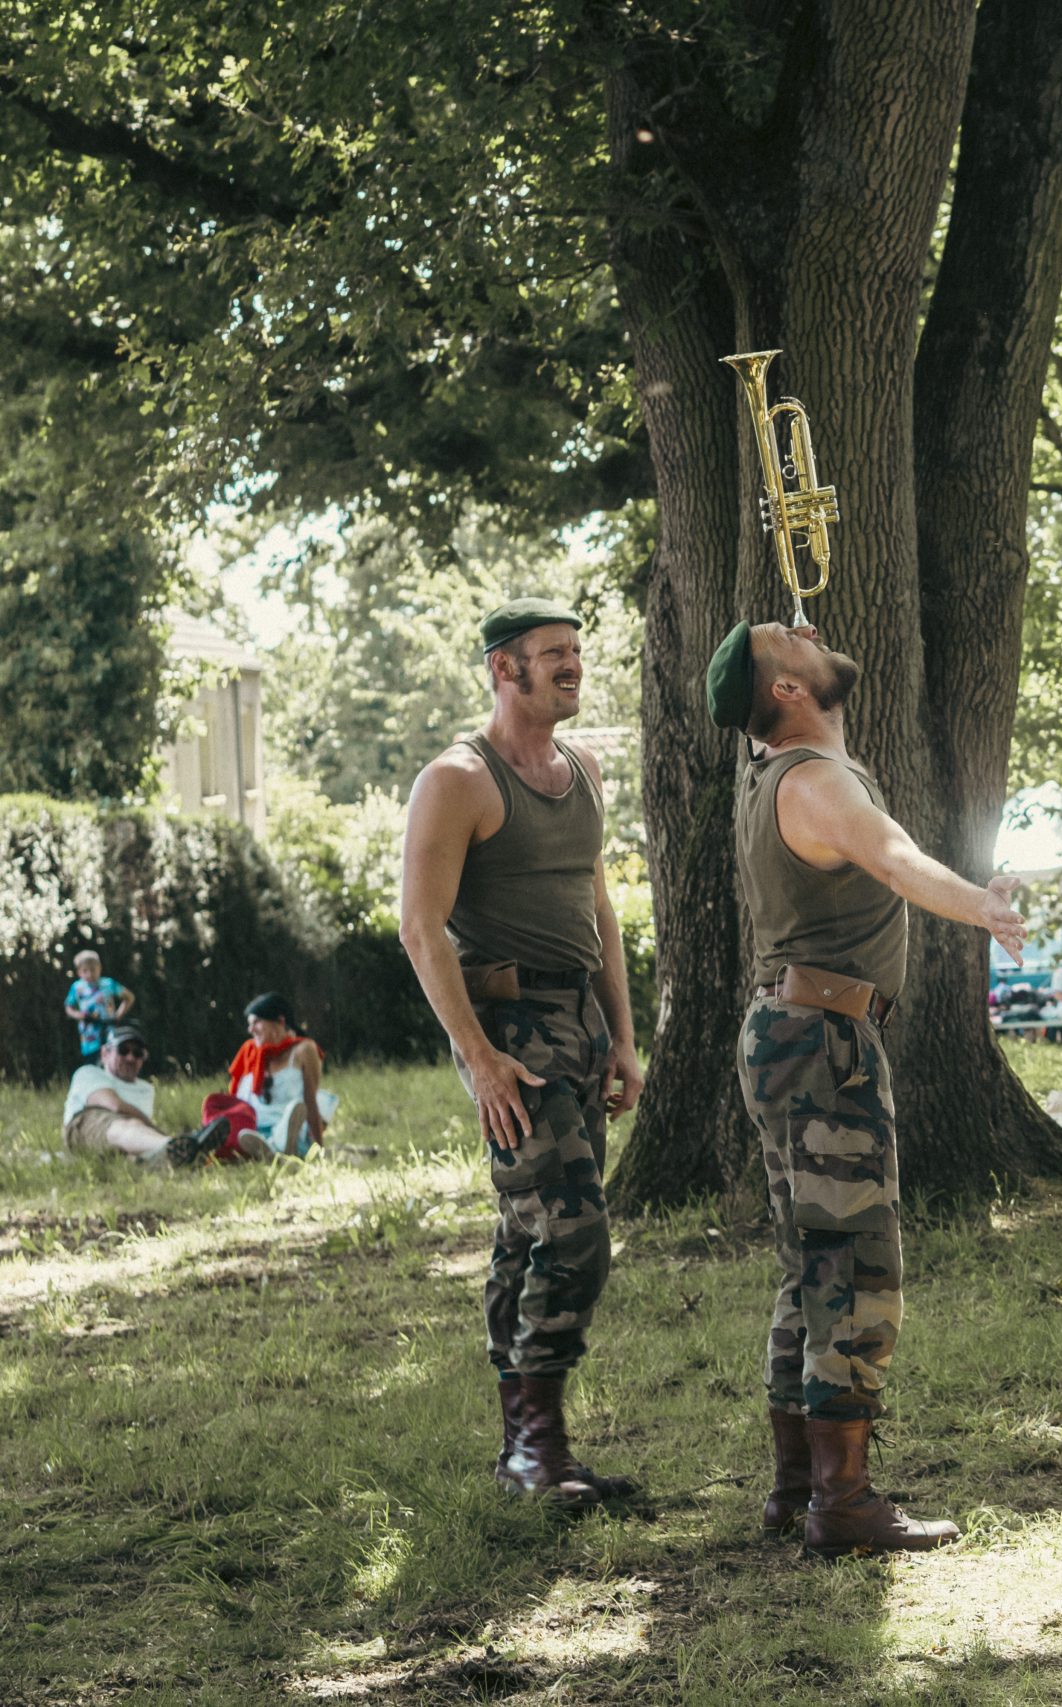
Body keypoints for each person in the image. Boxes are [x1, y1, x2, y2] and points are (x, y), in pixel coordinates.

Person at [701, 616, 1029, 1554]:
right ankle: (840, 1503)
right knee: (854, 1266)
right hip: (823, 1041)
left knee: (812, 1263)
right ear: (787, 692)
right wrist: (981, 905)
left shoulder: (778, 771)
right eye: (787, 636)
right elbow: (893, 856)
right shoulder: (815, 781)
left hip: (790, 1030)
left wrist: (788, 655)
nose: (806, 626)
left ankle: (797, 1489)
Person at [399, 597, 646, 1509]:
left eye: (576, 649)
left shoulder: (582, 770)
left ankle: (527, 1450)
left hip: (579, 1022)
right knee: (574, 1231)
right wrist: (479, 1058)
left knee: (527, 1230)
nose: (572, 664)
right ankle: (537, 1447)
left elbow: (599, 911)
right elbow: (420, 928)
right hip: (511, 1031)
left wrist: (623, 1038)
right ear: (504, 667)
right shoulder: (458, 779)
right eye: (552, 653)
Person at [59, 1026, 229, 1164]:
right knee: (126, 1125)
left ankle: (180, 1155)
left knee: (136, 1155)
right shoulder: (89, 1073)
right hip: (86, 1125)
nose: (130, 1057)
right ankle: (175, 1144)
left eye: (137, 1053)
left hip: (125, 1138)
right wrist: (160, 1133)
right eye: (123, 1050)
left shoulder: (145, 1089)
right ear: (105, 1053)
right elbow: (114, 1105)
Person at [200, 992, 335, 1159]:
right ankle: (267, 1150)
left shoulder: (304, 1050)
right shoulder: (250, 1052)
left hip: (286, 1125)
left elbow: (311, 1102)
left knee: (291, 1114)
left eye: (256, 1022)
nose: (250, 1029)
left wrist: (319, 1148)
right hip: (251, 1130)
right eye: (249, 1024)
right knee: (220, 1110)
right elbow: (237, 1099)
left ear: (280, 1021)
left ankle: (278, 1146)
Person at [62, 949, 134, 1063]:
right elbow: (68, 1007)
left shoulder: (108, 983)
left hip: (109, 1032)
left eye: (93, 969)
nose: (90, 974)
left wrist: (118, 1015)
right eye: (85, 970)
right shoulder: (77, 987)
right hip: (89, 1037)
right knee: (92, 1064)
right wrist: (78, 1015)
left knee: (111, 1062)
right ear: (79, 972)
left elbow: (129, 997)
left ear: (99, 968)